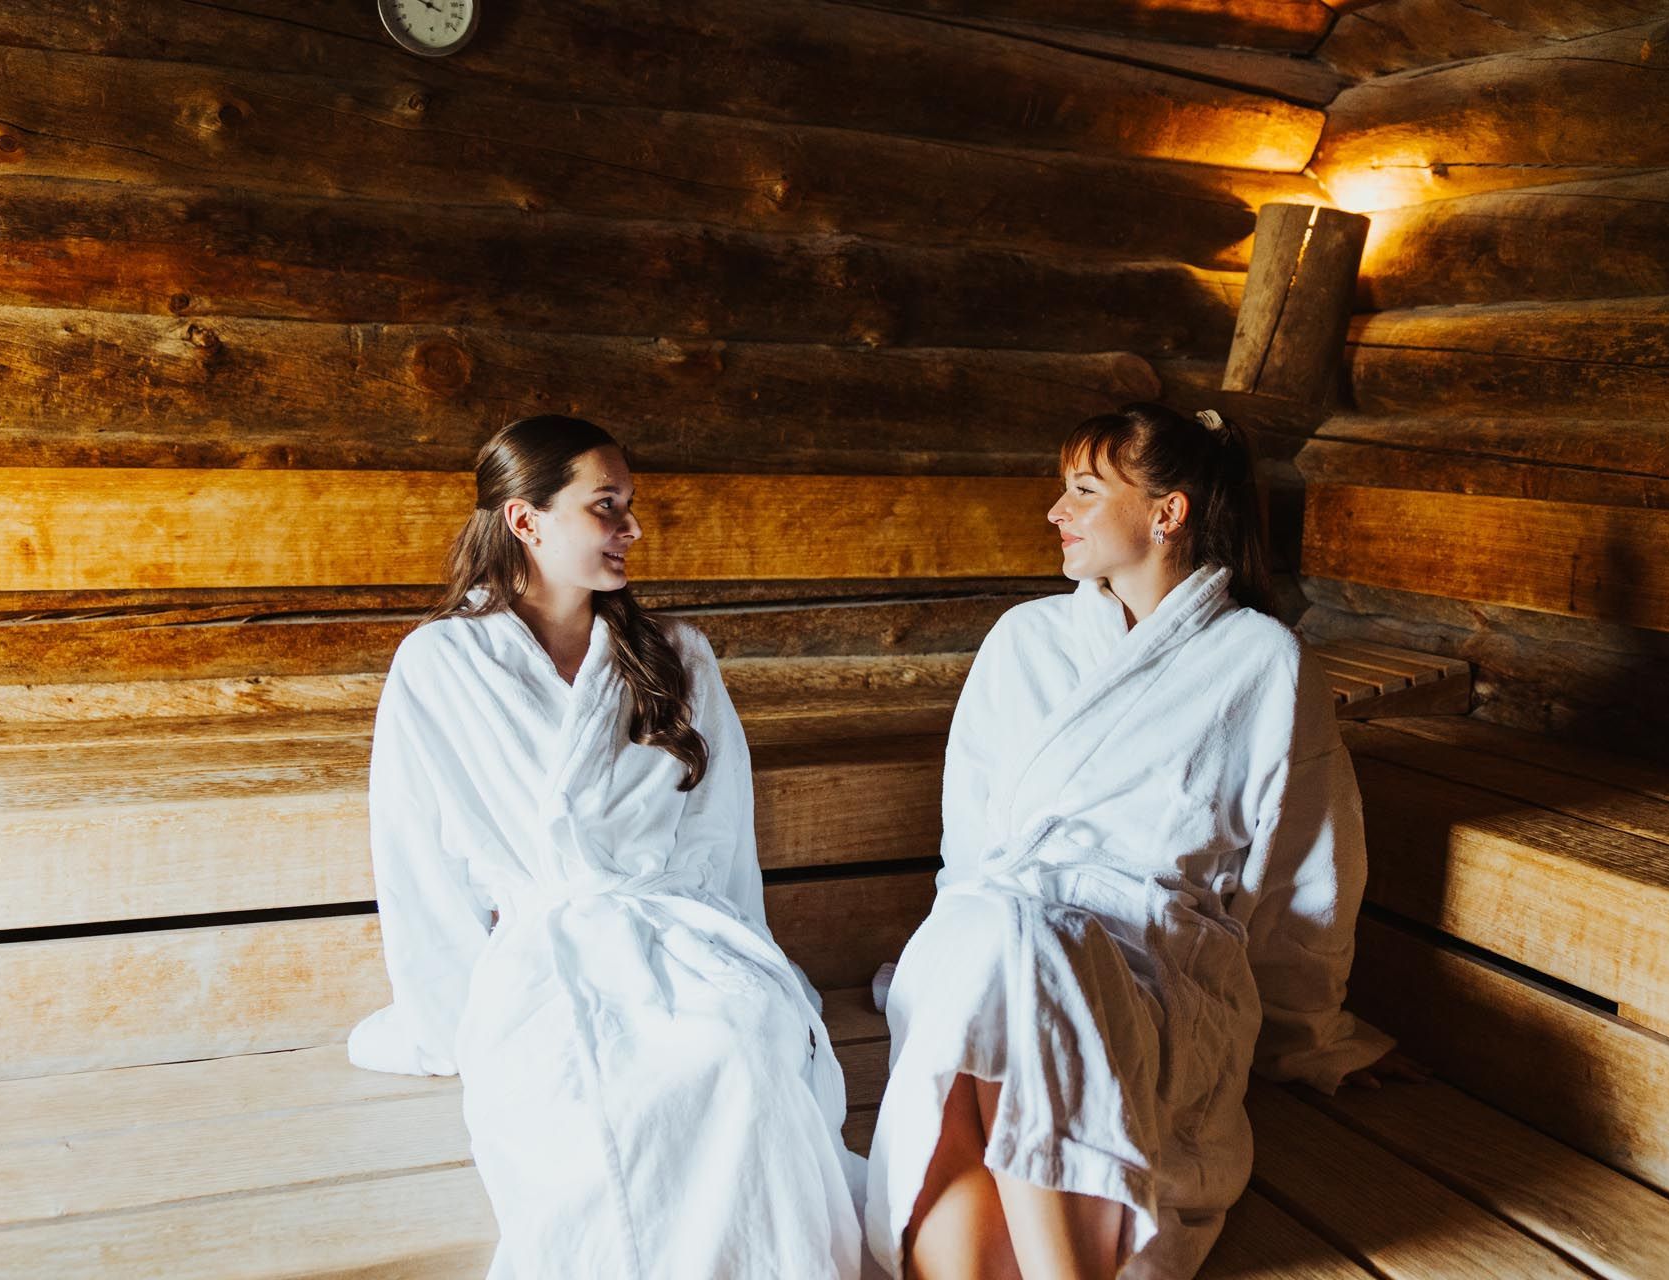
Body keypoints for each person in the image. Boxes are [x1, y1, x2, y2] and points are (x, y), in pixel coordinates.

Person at [865, 403, 1419, 1280]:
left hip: (1148, 968)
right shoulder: (1025, 642)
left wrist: (1308, 1037)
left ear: (1168, 513)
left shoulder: (1261, 664)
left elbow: (1304, 875)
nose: (1056, 510)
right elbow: (970, 845)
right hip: (987, 942)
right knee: (995, 939)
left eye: (1083, 490)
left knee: (1012, 958)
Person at [348, 416, 864, 1280]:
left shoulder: (675, 657)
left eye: (629, 507)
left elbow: (720, 836)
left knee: (739, 1050)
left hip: (680, 936)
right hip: (540, 957)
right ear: (526, 520)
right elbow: (416, 867)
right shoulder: (440, 664)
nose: (631, 529)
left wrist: (748, 958)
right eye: (606, 508)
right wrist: (454, 1023)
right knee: (588, 1093)